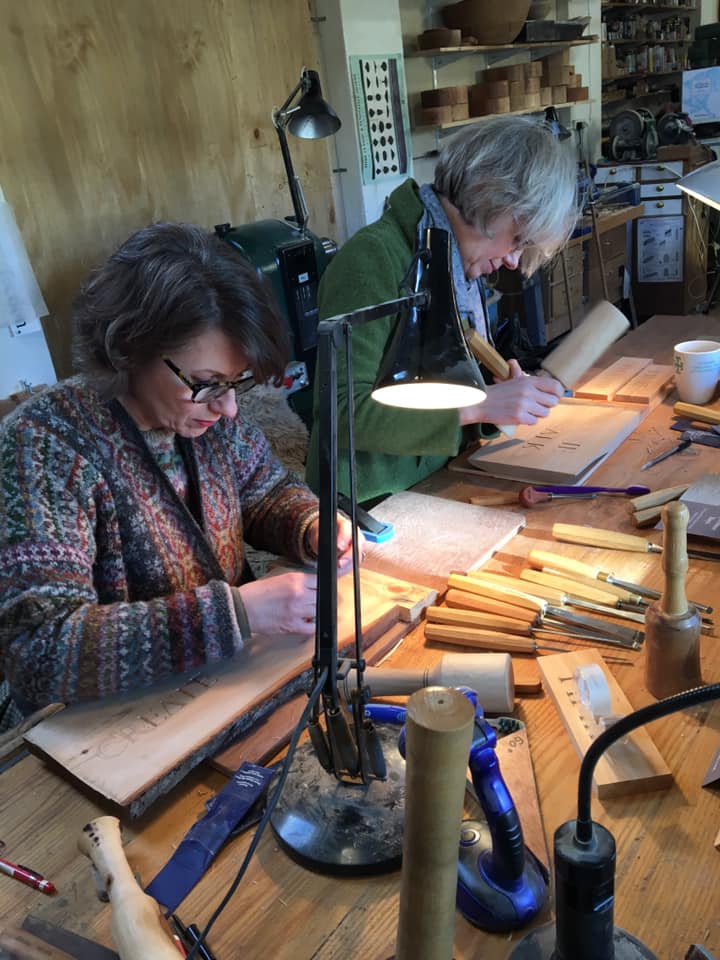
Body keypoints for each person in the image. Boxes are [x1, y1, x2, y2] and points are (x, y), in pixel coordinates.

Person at [0, 222, 355, 727]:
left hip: (216, 692)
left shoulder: (204, 417)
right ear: (128, 347)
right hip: (96, 735)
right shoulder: (43, 446)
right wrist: (235, 615)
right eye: (209, 383)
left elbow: (267, 492)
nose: (230, 408)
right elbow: (39, 651)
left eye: (237, 383)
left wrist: (311, 524)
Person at [306, 115, 578, 505]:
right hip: (361, 507)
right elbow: (345, 417)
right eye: (517, 239)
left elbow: (444, 399)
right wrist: (478, 405)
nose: (514, 260)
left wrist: (493, 406)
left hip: (435, 482)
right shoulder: (374, 260)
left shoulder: (452, 265)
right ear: (489, 194)